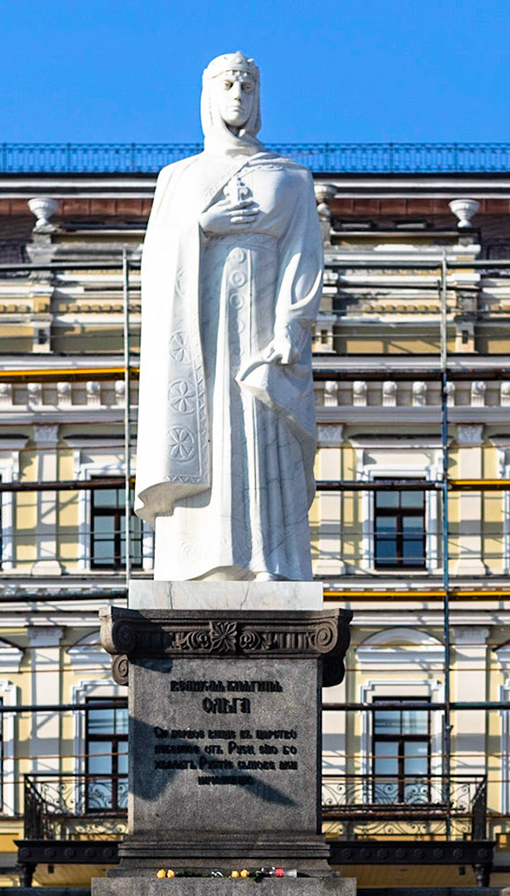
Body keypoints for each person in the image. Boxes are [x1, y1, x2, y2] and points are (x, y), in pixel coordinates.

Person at [134, 52, 325, 582]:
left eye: (247, 85)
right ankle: (194, 561)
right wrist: (201, 225)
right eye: (227, 85)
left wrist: (292, 324)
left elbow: (304, 255)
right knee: (208, 428)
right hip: (201, 333)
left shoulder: (289, 178)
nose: (237, 94)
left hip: (264, 330)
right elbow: (155, 265)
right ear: (209, 97)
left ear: (259, 97)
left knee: (261, 429)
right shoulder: (180, 177)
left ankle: (272, 561)